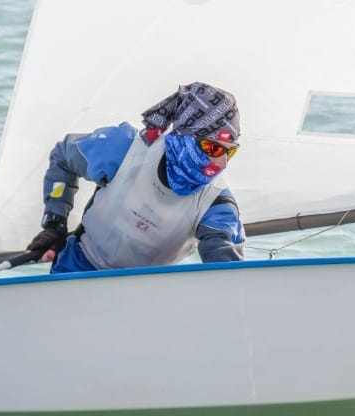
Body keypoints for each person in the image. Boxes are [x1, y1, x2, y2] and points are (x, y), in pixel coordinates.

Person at [26, 82, 245, 273]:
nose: (222, 162)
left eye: (230, 151)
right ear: (184, 136)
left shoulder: (217, 205)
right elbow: (62, 158)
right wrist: (55, 224)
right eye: (213, 148)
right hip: (77, 270)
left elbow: (228, 276)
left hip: (146, 293)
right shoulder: (122, 149)